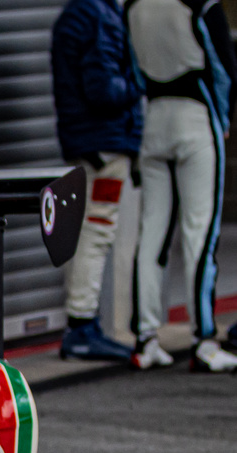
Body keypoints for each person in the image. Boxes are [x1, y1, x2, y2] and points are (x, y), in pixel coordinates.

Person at [125, 0, 237, 371]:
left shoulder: (133, 6)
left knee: (152, 232)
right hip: (196, 119)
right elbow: (225, 69)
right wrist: (223, 118)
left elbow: (133, 68)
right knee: (199, 233)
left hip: (155, 119)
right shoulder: (200, 3)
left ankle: (145, 339)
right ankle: (204, 340)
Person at [51, 0, 143, 362]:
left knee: (81, 232)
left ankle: (81, 321)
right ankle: (82, 324)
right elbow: (104, 90)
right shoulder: (99, 17)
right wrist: (140, 82)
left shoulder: (76, 14)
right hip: (104, 147)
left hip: (86, 144)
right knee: (98, 229)